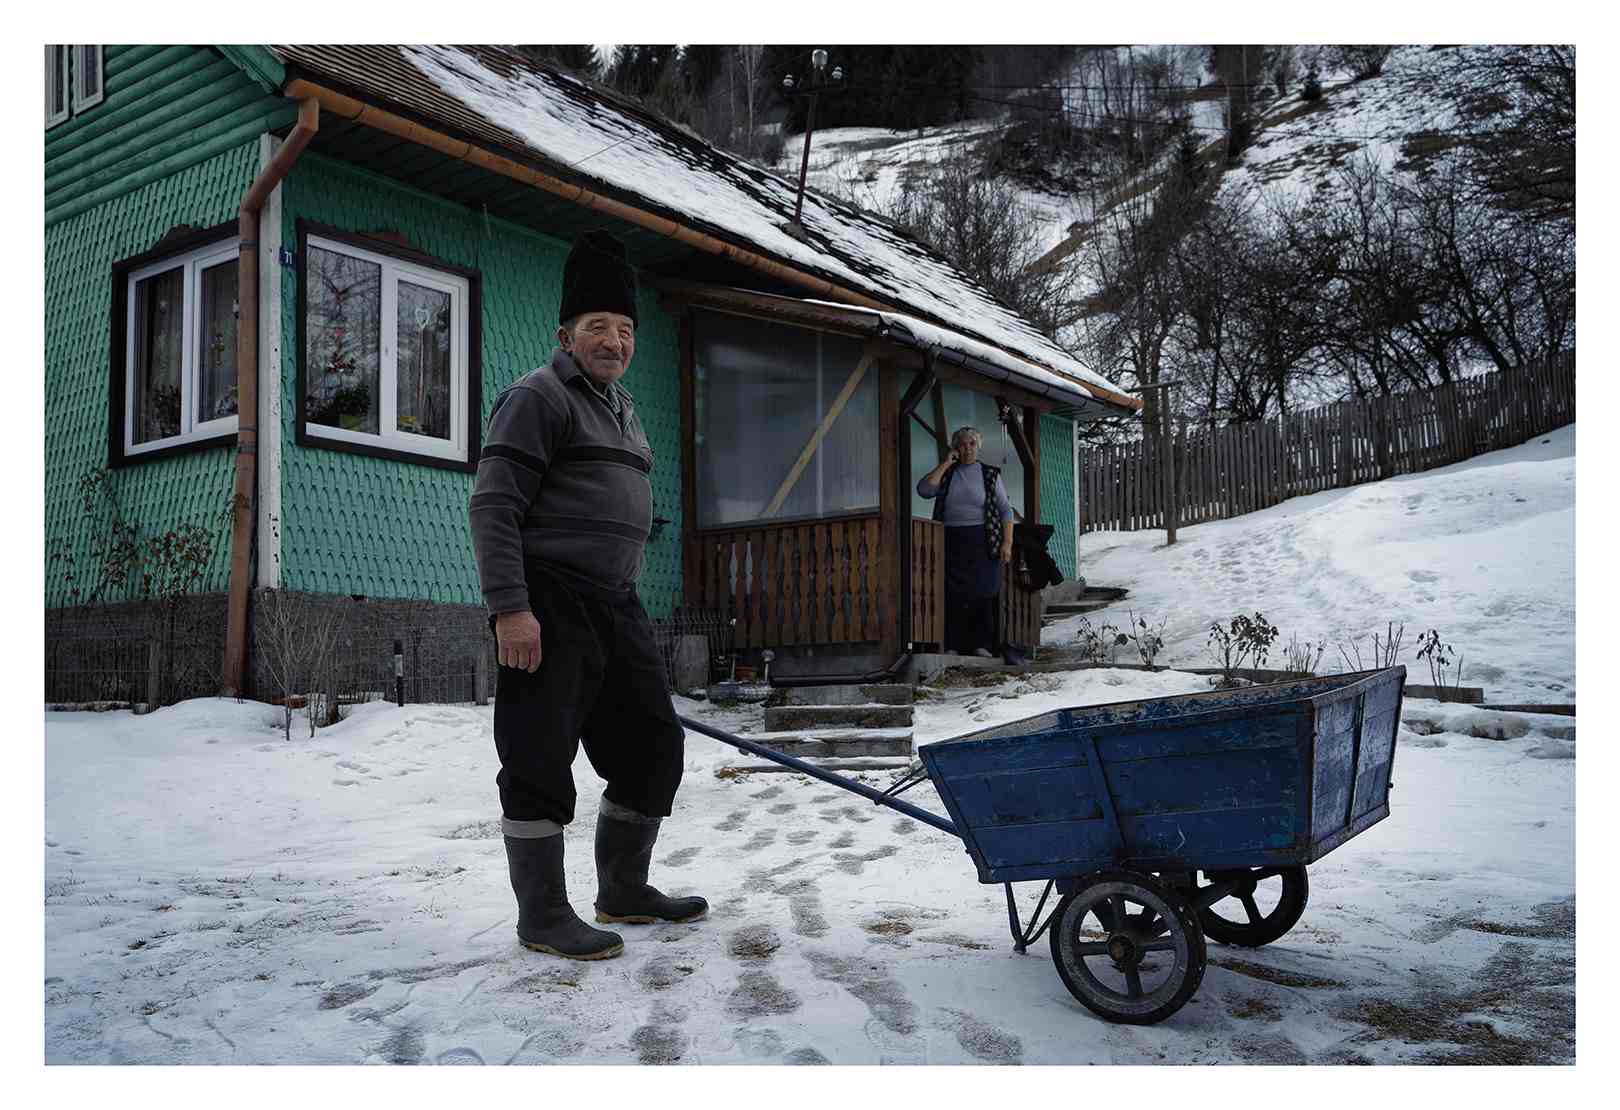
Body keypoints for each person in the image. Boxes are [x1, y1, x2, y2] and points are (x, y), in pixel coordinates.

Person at [469, 230, 706, 962]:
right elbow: (494, 506)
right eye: (598, 326)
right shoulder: (537, 397)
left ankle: (623, 888)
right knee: (540, 757)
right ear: (565, 334)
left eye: (625, 329)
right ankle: (542, 915)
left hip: (617, 601)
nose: (614, 340)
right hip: (549, 599)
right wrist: (512, 608)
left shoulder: (624, 408)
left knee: (653, 745)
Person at [916, 426, 1016, 657]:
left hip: (982, 538)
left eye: (971, 443)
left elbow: (1005, 512)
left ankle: (981, 645)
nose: (967, 448)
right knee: (952, 594)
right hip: (951, 539)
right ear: (955, 448)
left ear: (978, 446)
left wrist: (1007, 543)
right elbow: (924, 490)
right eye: (961, 444)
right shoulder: (948, 473)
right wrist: (945, 463)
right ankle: (952, 645)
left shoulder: (990, 474)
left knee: (982, 592)